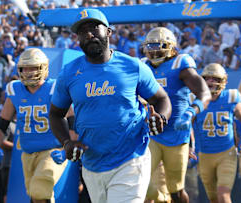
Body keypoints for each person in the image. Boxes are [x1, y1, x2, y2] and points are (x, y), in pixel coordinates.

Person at [49, 8, 172, 203]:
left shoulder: (133, 66)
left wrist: (162, 117)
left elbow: (162, 99)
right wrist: (66, 142)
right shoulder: (69, 73)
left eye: (94, 28)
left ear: (108, 32)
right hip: (92, 163)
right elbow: (55, 114)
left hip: (131, 158)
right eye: (82, 31)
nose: (89, 34)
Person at [142, 27, 211, 203]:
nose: (154, 50)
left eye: (159, 46)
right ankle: (161, 199)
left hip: (177, 133)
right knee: (141, 182)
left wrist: (191, 111)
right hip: (152, 133)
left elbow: (205, 93)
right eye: (150, 46)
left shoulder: (180, 64)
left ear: (171, 47)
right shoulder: (142, 65)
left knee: (176, 190)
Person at [0, 48, 67, 203]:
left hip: (53, 150)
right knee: (37, 195)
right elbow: (2, 124)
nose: (28, 72)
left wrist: (67, 147)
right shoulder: (14, 90)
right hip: (28, 153)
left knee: (40, 188)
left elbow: (72, 121)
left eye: (33, 67)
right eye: (25, 68)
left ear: (43, 68)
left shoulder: (54, 88)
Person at [192, 63, 241, 203]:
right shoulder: (195, 99)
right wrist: (190, 144)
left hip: (227, 153)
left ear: (223, 81)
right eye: (207, 78)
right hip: (205, 155)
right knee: (213, 199)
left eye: (215, 79)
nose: (210, 82)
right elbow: (187, 124)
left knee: (223, 195)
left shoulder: (231, 97)